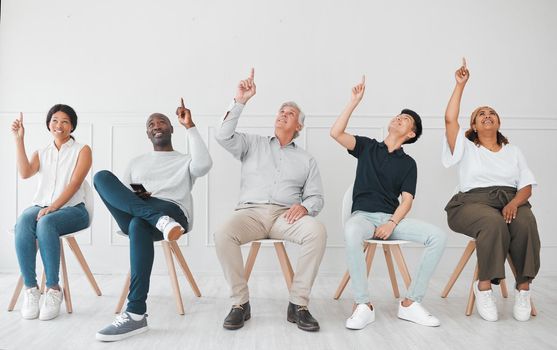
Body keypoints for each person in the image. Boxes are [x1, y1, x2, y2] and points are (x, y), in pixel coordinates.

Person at [214, 69, 326, 332]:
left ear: (298, 126)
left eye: (289, 114)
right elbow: (222, 136)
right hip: (250, 214)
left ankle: (298, 304)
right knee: (222, 234)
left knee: (317, 232)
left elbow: (316, 196)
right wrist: (240, 100)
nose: (282, 115)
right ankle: (240, 303)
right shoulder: (252, 144)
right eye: (280, 111)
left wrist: (305, 206)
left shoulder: (307, 160)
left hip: (285, 216)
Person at [330, 76, 446, 329]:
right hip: (362, 217)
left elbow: (407, 201)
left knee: (438, 236)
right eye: (397, 116)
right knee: (351, 230)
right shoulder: (367, 147)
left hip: (390, 220)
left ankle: (410, 303)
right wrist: (353, 102)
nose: (398, 118)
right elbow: (335, 133)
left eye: (405, 119)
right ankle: (363, 305)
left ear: (411, 133)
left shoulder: (408, 164)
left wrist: (392, 223)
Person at [94, 99, 212, 341]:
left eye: (162, 122)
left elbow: (203, 165)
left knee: (138, 224)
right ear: (148, 133)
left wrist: (190, 125)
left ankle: (136, 314)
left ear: (171, 129)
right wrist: (140, 197)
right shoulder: (137, 162)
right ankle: (158, 220)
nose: (156, 125)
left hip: (173, 211)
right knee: (101, 176)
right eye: (151, 124)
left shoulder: (184, 160)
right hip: (147, 212)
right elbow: (123, 196)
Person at [443, 58, 540, 322]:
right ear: (473, 125)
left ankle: (524, 289)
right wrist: (460, 85)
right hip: (470, 204)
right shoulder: (466, 146)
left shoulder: (514, 151)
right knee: (492, 223)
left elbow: (527, 187)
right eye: (480, 114)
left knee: (526, 222)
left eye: (491, 113)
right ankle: (484, 287)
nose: (487, 115)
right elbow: (450, 118)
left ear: (498, 122)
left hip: (511, 201)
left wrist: (514, 204)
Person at [12, 104, 92, 321]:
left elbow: (75, 183)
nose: (59, 125)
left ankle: (54, 289)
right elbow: (25, 173)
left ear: (72, 126)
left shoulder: (82, 150)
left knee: (46, 223)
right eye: (55, 120)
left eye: (65, 121)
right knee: (23, 222)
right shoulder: (42, 152)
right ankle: (31, 289)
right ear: (49, 124)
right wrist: (19, 139)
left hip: (74, 210)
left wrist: (53, 207)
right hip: (42, 206)